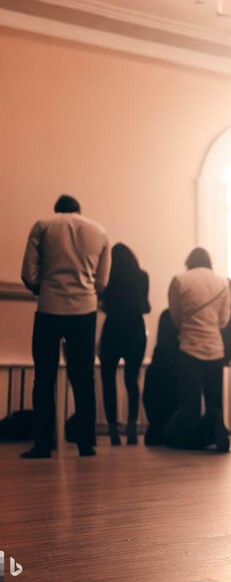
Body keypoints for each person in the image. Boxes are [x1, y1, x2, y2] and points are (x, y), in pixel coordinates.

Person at [20, 195, 110, 458]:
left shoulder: (42, 225)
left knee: (44, 377)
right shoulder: (99, 231)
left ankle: (43, 443)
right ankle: (86, 443)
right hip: (84, 310)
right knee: (83, 378)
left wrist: (42, 288)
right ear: (79, 211)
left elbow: (28, 272)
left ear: (56, 210)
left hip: (49, 308)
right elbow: (102, 281)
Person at [165, 247, 231, 452]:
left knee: (189, 404)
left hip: (189, 348)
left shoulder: (179, 280)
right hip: (215, 349)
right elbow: (224, 320)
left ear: (189, 261)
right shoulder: (223, 283)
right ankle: (217, 433)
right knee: (214, 404)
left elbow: (175, 317)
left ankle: (184, 438)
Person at [99, 243, 150, 445]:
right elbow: (145, 306)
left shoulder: (109, 279)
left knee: (108, 379)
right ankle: (131, 428)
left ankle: (112, 429)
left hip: (112, 330)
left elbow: (104, 304)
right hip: (136, 330)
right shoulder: (142, 277)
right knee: (131, 380)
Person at [142, 309, 179, 446]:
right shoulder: (181, 363)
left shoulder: (156, 361)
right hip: (173, 423)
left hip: (156, 422)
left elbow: (147, 397)